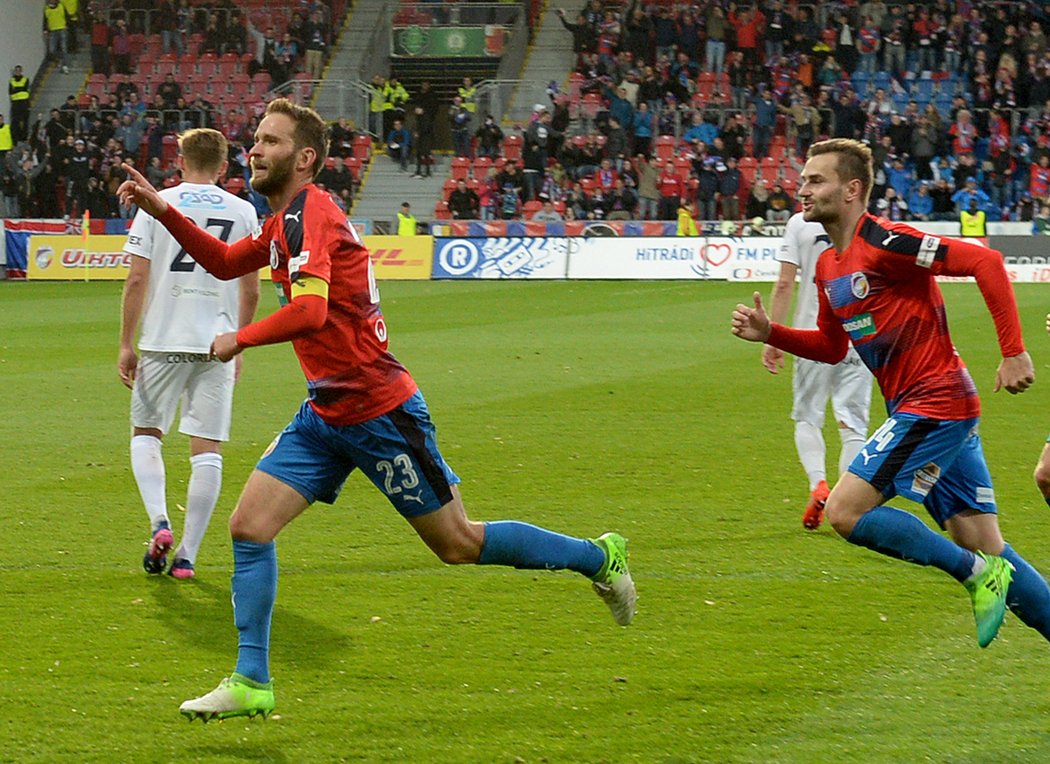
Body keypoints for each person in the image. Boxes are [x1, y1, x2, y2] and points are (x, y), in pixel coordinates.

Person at [117, 98, 636, 721]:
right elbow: (228, 262)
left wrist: (239, 338)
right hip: (326, 413)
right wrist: (161, 208)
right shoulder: (283, 220)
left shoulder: (314, 215)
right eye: (254, 139)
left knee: (458, 544)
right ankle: (252, 681)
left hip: (380, 411)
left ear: (305, 158)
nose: (254, 150)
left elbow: (309, 312)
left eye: (271, 141)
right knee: (249, 528)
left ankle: (599, 556)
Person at [731, 138, 1050, 650]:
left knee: (844, 512)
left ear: (852, 189)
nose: (802, 188)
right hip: (928, 408)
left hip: (937, 401)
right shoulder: (830, 266)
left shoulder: (887, 242)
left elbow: (985, 263)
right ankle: (983, 568)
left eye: (816, 180)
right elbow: (834, 349)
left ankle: (972, 575)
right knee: (989, 546)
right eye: (803, 179)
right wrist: (773, 333)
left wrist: (1013, 351)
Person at [118, 128, 260, 580]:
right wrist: (238, 341)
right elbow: (251, 288)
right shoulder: (242, 211)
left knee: (146, 432)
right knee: (207, 450)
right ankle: (187, 556)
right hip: (215, 343)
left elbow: (137, 279)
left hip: (163, 339)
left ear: (179, 160)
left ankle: (160, 520)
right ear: (223, 166)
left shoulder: (155, 201)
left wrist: (126, 342)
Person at [763, 211, 872, 529]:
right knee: (852, 426)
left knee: (808, 417)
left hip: (812, 336)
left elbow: (784, 284)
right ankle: (844, 502)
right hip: (857, 334)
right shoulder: (863, 220)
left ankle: (818, 485)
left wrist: (774, 337)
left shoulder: (799, 224)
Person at [43, 0, 70, 73]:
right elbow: (45, 20)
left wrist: (67, 25)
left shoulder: (61, 6)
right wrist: (45, 29)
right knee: (52, 50)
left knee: (64, 48)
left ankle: (65, 65)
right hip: (52, 30)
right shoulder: (46, 9)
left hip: (62, 29)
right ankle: (60, 59)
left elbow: (67, 17)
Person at [8, 66, 30, 144]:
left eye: (19, 70)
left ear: (21, 71)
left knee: (25, 121)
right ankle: (16, 138)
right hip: (15, 103)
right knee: (15, 121)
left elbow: (24, 89)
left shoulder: (25, 79)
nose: (17, 72)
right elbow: (11, 92)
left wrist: (16, 90)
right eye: (16, 71)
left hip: (24, 103)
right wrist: (20, 90)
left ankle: (24, 137)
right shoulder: (11, 80)